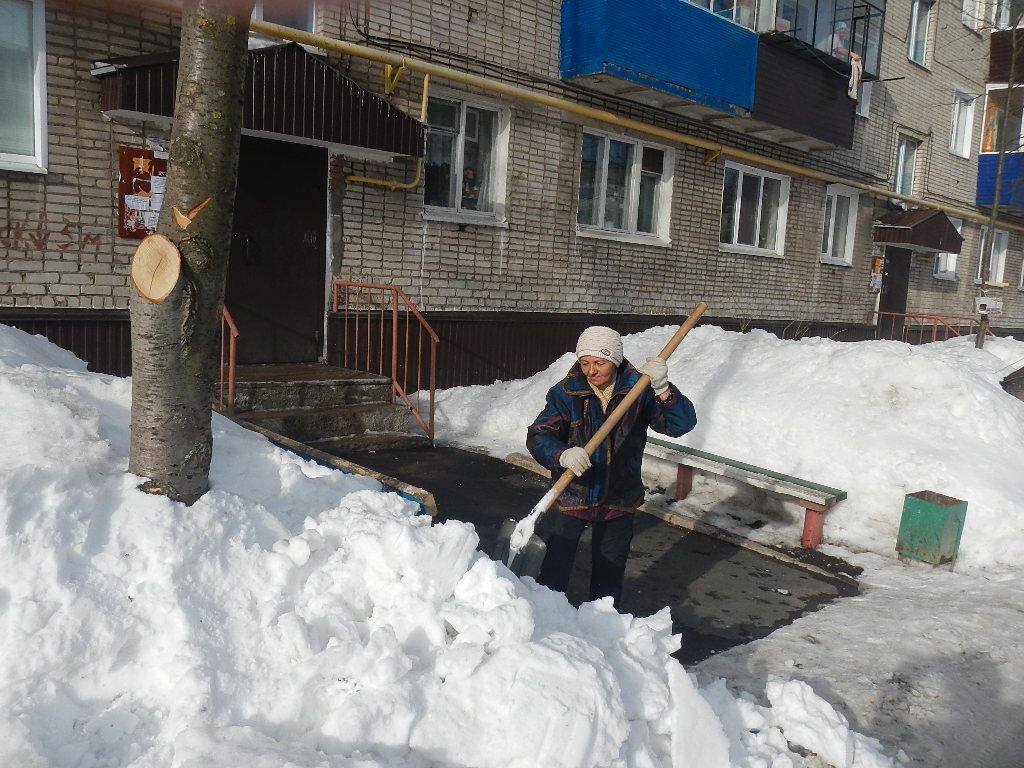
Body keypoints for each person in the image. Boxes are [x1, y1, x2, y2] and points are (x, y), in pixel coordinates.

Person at [526, 326, 697, 608]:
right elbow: (539, 434)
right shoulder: (566, 393)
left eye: (599, 363)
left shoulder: (639, 391)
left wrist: (663, 389)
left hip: (619, 496)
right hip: (572, 495)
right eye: (585, 362)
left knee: (609, 577)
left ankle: (600, 630)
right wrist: (562, 454)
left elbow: (681, 425)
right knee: (554, 573)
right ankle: (547, 624)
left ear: (615, 361)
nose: (591, 371)